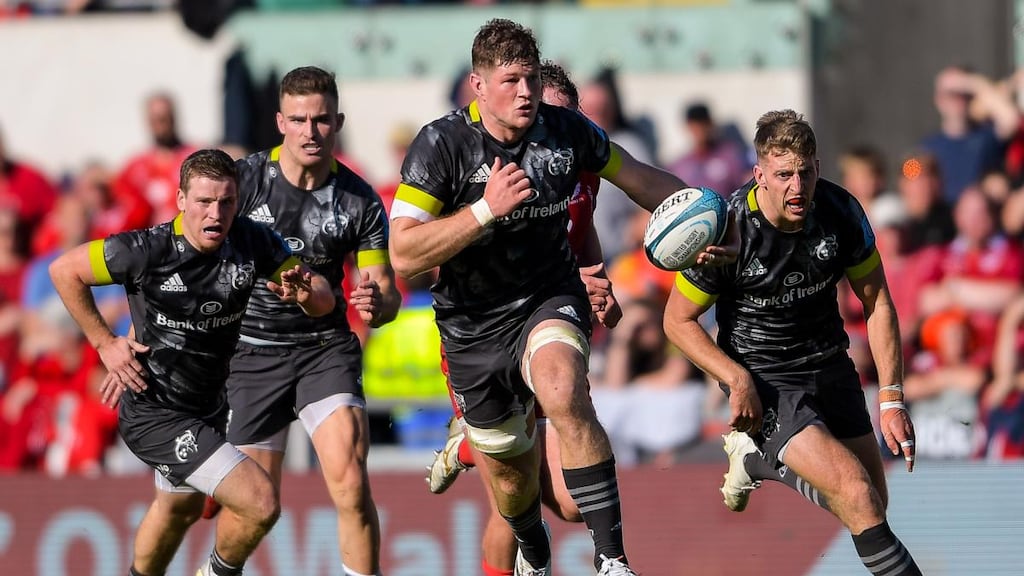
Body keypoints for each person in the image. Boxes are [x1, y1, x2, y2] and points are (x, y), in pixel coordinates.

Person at [389, 20, 733, 576]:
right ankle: (532, 546)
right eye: (511, 81)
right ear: (478, 85)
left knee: (560, 386)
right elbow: (403, 254)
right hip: (472, 327)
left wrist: (719, 215)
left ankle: (612, 561)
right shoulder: (441, 143)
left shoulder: (565, 132)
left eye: (530, 78)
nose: (525, 92)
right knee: (513, 486)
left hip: (547, 297)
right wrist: (483, 211)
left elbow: (641, 179)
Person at [48, 148, 336, 576]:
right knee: (261, 501)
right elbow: (64, 270)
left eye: (226, 201)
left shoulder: (252, 242)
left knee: (176, 513)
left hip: (207, 407)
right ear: (181, 199)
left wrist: (306, 295)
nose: (215, 214)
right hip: (154, 410)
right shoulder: (146, 250)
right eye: (203, 201)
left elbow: (323, 300)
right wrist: (105, 343)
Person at [663, 109, 923, 576]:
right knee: (857, 494)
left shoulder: (841, 212)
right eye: (783, 175)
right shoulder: (729, 228)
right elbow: (676, 321)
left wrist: (891, 399)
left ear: (818, 167)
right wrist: (735, 378)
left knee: (871, 505)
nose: (797, 187)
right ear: (759, 174)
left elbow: (877, 301)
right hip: (766, 378)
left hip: (830, 363)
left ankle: (762, 462)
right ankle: (766, 449)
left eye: (805, 172)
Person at [425, 59, 621, 576]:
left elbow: (582, 237)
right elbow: (440, 259)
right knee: (512, 502)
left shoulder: (577, 167)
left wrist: (599, 284)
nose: (553, 138)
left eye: (566, 122)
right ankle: (473, 441)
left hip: (546, 327)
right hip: (485, 336)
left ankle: (469, 445)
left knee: (573, 503)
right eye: (546, 120)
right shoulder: (491, 170)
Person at [213, 65, 399, 576]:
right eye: (299, 120)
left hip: (324, 349)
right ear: (279, 121)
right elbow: (193, 257)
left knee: (351, 481)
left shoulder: (359, 201)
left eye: (320, 120)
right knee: (255, 506)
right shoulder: (244, 183)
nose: (310, 132)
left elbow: (384, 292)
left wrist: (376, 303)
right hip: (251, 352)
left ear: (337, 121)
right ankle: (217, 569)